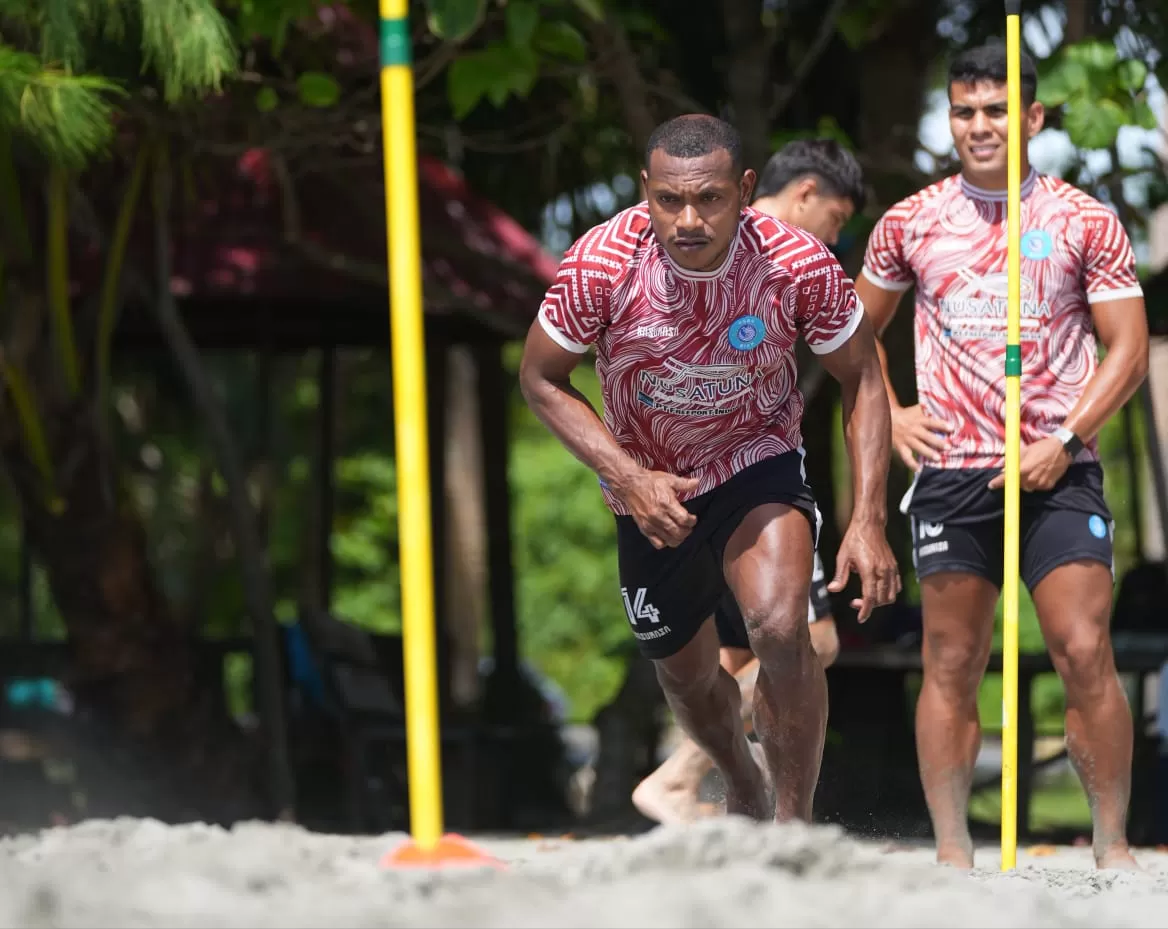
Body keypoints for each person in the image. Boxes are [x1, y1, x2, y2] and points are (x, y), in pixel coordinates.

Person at [520, 114, 900, 825]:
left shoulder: (796, 262)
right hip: (650, 486)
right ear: (646, 189)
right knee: (690, 680)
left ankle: (794, 826)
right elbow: (541, 378)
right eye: (669, 200)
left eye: (711, 199)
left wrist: (869, 519)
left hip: (757, 461)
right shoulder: (600, 263)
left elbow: (864, 379)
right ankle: (742, 785)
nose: (688, 219)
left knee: (784, 627)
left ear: (745, 188)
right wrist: (628, 476)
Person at [855, 42, 1149, 869]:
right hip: (956, 471)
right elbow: (850, 334)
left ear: (1032, 117)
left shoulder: (1081, 218)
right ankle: (953, 853)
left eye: (996, 110)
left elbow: (1126, 350)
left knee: (1083, 647)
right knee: (951, 658)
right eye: (964, 110)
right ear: (949, 118)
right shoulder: (910, 221)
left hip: (1059, 464)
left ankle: (1111, 844)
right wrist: (898, 412)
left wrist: (1063, 440)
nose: (979, 125)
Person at [630, 138, 867, 825]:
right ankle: (681, 776)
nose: (835, 236)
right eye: (838, 216)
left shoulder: (729, 247)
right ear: (806, 194)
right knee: (810, 640)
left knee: (741, 648)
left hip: (703, 485)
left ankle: (735, 798)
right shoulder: (782, 252)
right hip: (736, 481)